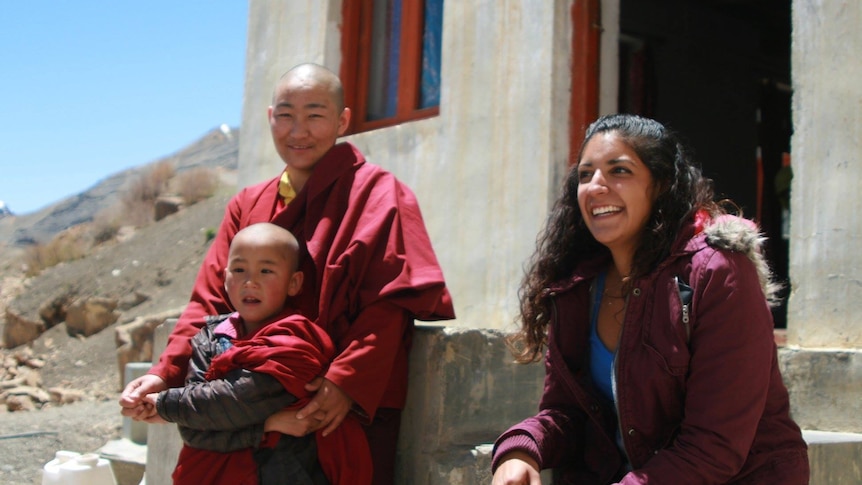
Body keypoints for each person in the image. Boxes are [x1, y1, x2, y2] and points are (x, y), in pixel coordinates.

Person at [120, 63, 455, 485]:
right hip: (244, 401)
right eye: (286, 115)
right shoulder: (248, 204)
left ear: (342, 120)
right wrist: (162, 373)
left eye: (315, 115)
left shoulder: (379, 194)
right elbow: (210, 303)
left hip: (332, 405)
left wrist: (345, 382)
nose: (298, 131)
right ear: (269, 118)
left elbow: (388, 303)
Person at [491, 114, 809, 484]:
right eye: (584, 174)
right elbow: (569, 413)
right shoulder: (577, 287)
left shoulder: (717, 273)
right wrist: (522, 449)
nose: (595, 187)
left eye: (619, 171)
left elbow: (713, 447)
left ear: (660, 185)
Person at [142, 222, 371, 485]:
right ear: (225, 278)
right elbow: (194, 429)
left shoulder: (295, 341)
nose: (250, 282)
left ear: (294, 283)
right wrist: (267, 426)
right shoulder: (210, 337)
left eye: (266, 271)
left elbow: (236, 401)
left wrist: (164, 404)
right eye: (239, 270)